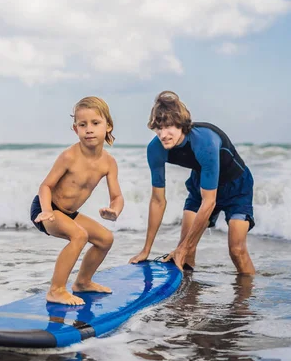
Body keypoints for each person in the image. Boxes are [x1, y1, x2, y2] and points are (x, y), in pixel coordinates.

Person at [129, 91, 256, 275]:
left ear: (181, 124)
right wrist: (146, 250)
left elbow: (209, 202)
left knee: (236, 250)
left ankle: (246, 299)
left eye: (169, 126)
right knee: (186, 249)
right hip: (201, 183)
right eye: (158, 128)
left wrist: (183, 248)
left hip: (236, 187)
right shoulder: (155, 150)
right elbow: (158, 201)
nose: (163, 134)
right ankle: (189, 297)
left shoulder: (204, 142)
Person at [31, 96, 125, 305]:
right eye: (83, 125)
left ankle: (82, 282)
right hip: (46, 207)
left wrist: (114, 210)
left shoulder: (109, 163)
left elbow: (117, 197)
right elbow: (45, 186)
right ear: (75, 129)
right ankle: (56, 290)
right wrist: (46, 210)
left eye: (95, 123)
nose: (89, 129)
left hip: (68, 213)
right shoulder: (69, 156)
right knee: (79, 236)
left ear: (108, 126)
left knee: (105, 239)